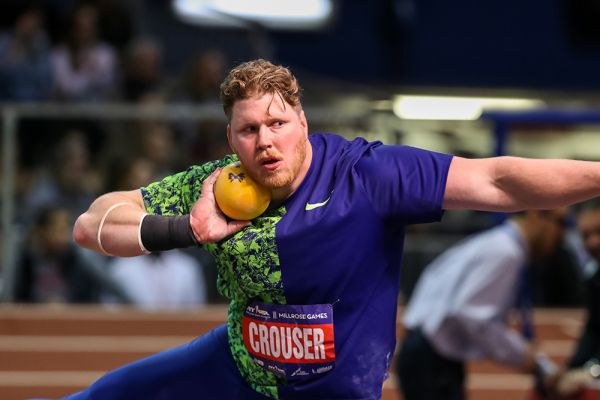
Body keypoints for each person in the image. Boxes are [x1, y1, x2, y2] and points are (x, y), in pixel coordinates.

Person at [66, 59, 600, 400]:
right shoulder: (213, 185)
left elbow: (498, 181)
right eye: (249, 130)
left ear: (302, 122)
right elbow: (92, 227)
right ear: (231, 138)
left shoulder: (365, 174)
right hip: (238, 372)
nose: (265, 142)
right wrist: (187, 228)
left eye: (277, 124)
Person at [396, 209, 569, 400]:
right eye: (561, 223)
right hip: (432, 356)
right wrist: (523, 355)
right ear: (536, 215)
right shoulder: (506, 252)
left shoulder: (497, 242)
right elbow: (472, 315)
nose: (563, 234)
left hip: (429, 349)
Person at [552, 200, 600, 398]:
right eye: (585, 235)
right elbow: (594, 330)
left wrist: (591, 372)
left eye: (599, 232)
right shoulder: (595, 278)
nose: (593, 242)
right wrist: (571, 369)